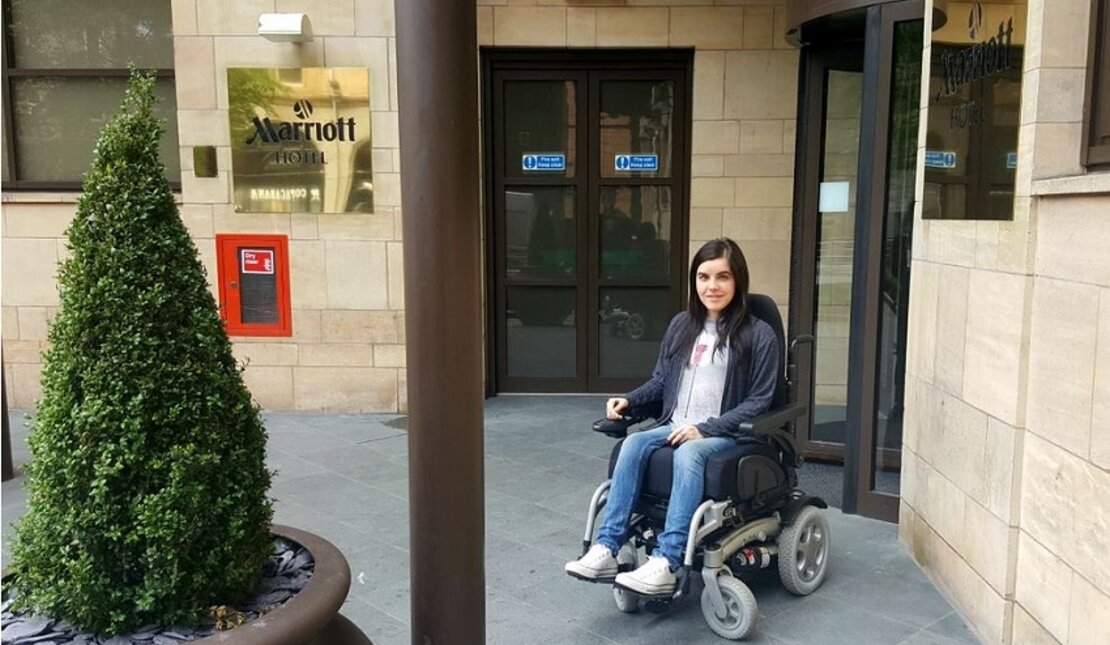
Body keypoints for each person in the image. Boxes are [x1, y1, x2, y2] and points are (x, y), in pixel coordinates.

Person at [564, 237, 780, 596]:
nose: (712, 286)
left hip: (726, 433)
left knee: (690, 452)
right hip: (675, 424)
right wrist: (629, 402)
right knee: (633, 442)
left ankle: (667, 560)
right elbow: (662, 381)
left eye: (722, 277)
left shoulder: (759, 335)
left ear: (738, 280)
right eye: (703, 276)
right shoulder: (682, 325)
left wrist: (706, 429)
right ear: (694, 282)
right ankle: (606, 548)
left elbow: (759, 400)